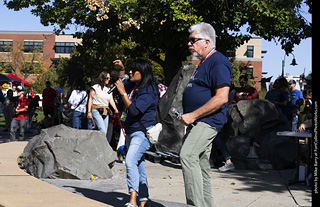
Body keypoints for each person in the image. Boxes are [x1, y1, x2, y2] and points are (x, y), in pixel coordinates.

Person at [178, 22, 232, 207]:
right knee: (201, 166)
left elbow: (222, 98)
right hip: (198, 123)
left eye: (193, 40)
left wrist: (193, 116)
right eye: (189, 40)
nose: (189, 44)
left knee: (187, 156)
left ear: (207, 41)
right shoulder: (203, 63)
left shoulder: (218, 61)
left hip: (207, 121)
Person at [113, 59, 159, 207]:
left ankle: (132, 200)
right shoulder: (135, 86)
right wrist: (121, 69)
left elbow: (134, 110)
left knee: (131, 161)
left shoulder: (149, 90)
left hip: (142, 132)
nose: (130, 73)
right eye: (130, 70)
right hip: (131, 131)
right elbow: (123, 83)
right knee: (138, 165)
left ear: (143, 72)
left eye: (134, 70)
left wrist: (123, 93)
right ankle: (143, 200)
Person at [87, 72, 119, 138]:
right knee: (102, 130)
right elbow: (90, 100)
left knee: (105, 131)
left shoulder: (108, 90)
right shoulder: (95, 88)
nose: (109, 79)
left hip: (106, 110)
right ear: (102, 78)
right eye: (107, 78)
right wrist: (89, 112)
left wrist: (116, 109)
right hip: (96, 109)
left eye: (109, 78)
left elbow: (111, 100)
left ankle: (99, 144)